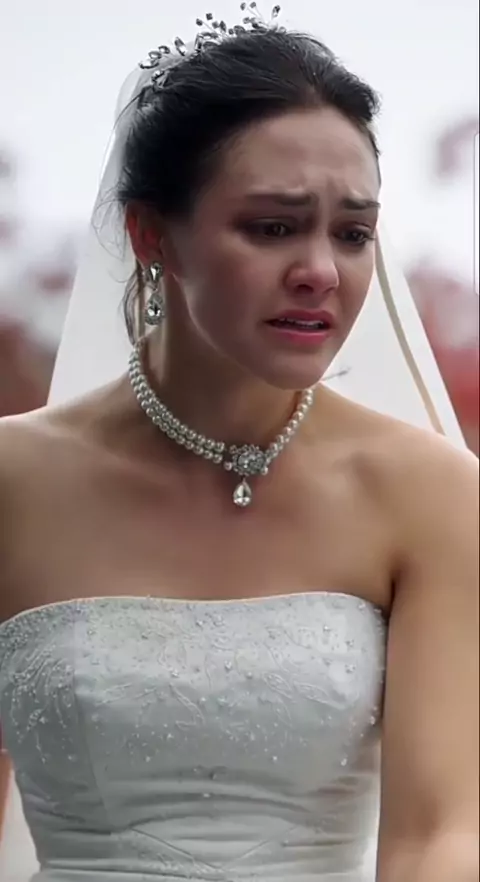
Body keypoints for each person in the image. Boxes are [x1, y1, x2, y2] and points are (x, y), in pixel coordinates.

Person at [0, 12, 478, 882]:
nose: (320, 272)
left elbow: (439, 834)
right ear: (151, 235)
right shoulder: (14, 482)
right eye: (272, 227)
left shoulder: (432, 493)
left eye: (352, 233)